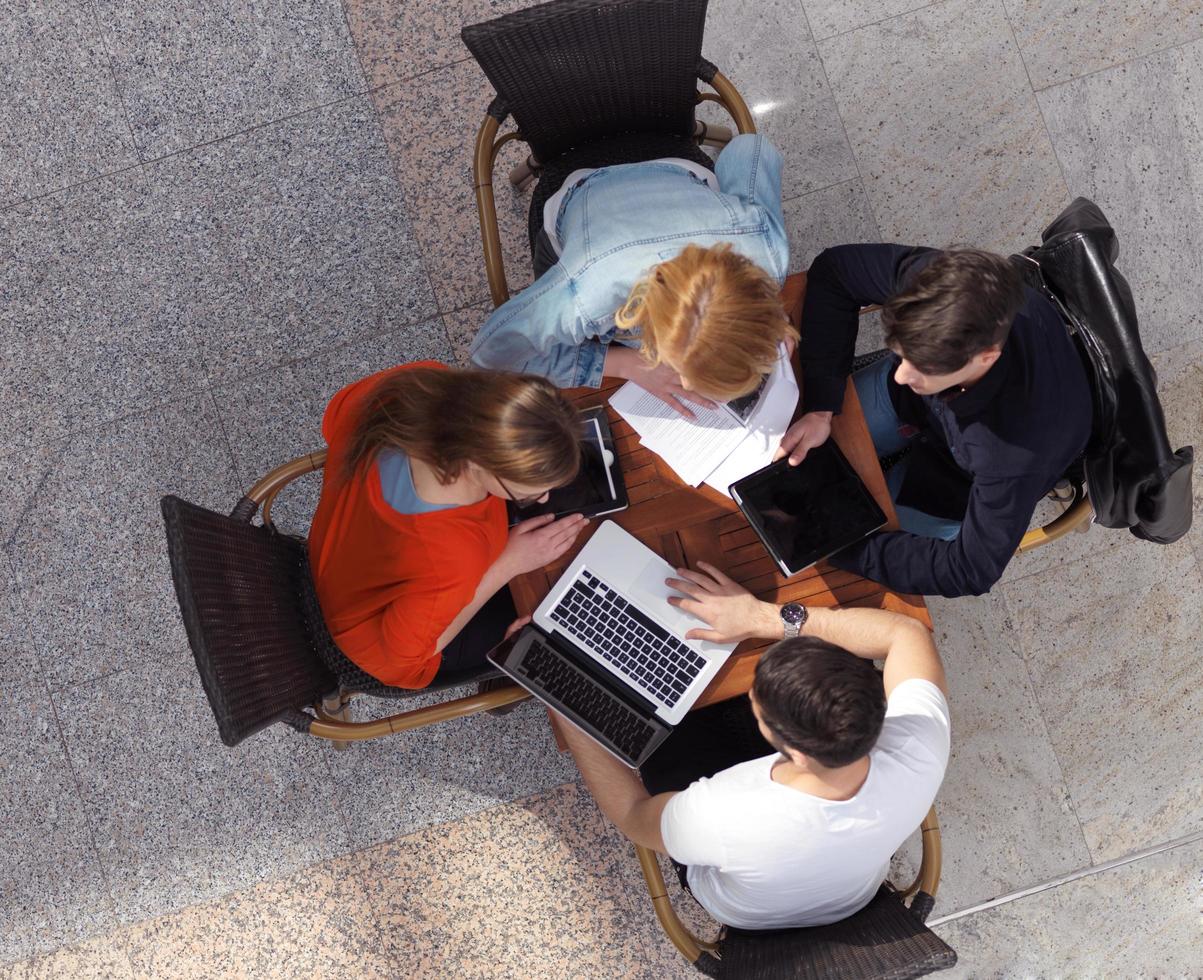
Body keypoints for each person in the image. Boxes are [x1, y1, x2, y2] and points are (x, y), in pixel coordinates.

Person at [553, 561, 950, 930]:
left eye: (755, 705)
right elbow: (906, 633)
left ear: (791, 750)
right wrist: (762, 618)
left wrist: (564, 702)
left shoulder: (719, 814)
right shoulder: (920, 742)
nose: (750, 700)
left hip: (736, 896)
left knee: (678, 719)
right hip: (845, 892)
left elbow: (632, 814)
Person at [779, 245, 1092, 597]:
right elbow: (835, 270)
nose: (902, 374)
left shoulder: (1015, 454)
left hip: (955, 480)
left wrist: (839, 548)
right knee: (792, 452)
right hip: (923, 412)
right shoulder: (938, 281)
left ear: (985, 357)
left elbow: (970, 570)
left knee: (848, 553)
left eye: (923, 366)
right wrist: (822, 405)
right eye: (901, 353)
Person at [469, 135, 796, 416]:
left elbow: (750, 147)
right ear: (654, 340)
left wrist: (767, 318)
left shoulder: (765, 253)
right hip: (580, 194)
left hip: (673, 172)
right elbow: (488, 357)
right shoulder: (586, 295)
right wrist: (622, 364)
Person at [307, 361, 587, 689]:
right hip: (369, 640)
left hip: (340, 552)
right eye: (526, 492)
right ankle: (504, 683)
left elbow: (336, 417)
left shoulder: (418, 382)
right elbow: (405, 660)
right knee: (559, 619)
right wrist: (508, 565)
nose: (541, 499)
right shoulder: (451, 556)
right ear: (479, 462)